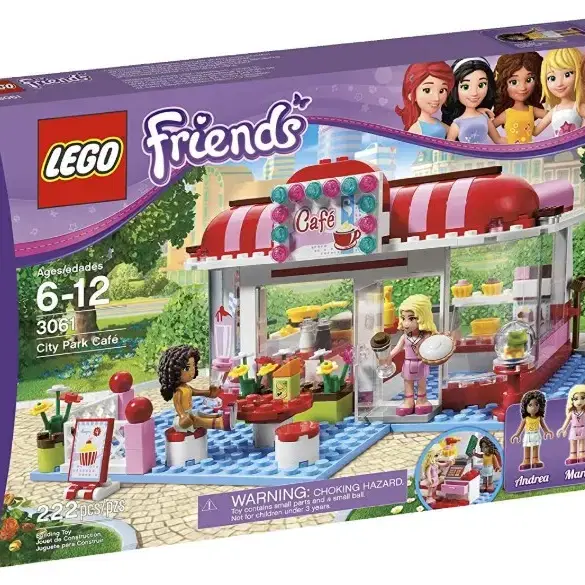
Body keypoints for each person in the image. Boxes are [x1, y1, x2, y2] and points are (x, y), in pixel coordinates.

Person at [158, 344, 233, 433]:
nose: (192, 371)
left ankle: (218, 417)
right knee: (195, 419)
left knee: (199, 414)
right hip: (181, 421)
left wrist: (211, 393)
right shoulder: (178, 391)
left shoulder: (187, 388)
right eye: (187, 368)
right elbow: (178, 406)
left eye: (193, 366)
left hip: (189, 415)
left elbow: (200, 392)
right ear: (175, 371)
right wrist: (182, 416)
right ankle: (219, 423)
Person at [390, 294, 437, 416]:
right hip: (408, 363)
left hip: (421, 362)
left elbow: (435, 346)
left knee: (421, 382)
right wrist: (387, 357)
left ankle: (422, 400)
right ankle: (409, 401)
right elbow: (397, 349)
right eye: (403, 318)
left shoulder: (426, 336)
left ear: (422, 317)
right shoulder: (405, 337)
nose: (406, 323)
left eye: (411, 318)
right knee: (408, 382)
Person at [442, 57, 506, 144]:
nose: (474, 93)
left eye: (481, 85)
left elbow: (498, 139)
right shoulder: (457, 123)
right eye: (465, 87)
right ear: (455, 89)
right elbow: (449, 146)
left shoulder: (484, 118)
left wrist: (518, 143)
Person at [493, 52, 546, 143]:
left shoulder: (532, 110)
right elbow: (488, 128)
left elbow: (553, 115)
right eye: (513, 82)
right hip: (512, 149)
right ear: (503, 85)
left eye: (529, 80)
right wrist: (499, 139)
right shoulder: (506, 114)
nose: (522, 88)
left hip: (530, 148)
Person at [533, 48, 585, 138]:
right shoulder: (554, 111)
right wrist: (526, 114)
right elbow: (535, 131)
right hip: (558, 146)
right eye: (552, 78)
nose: (559, 83)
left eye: (567, 74)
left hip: (576, 145)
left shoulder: (578, 107)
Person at [395, 62, 454, 138]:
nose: (436, 98)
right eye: (427, 90)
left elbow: (454, 132)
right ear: (411, 95)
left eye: (442, 90)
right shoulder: (416, 129)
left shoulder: (437, 122)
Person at [510, 390, 554, 470]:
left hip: (536, 434)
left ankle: (535, 460)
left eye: (536, 405)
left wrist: (547, 431)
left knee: (535, 447)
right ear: (525, 406)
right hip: (528, 435)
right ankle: (526, 461)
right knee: (527, 447)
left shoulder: (539, 417)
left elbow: (543, 426)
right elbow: (521, 427)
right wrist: (517, 434)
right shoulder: (526, 418)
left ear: (540, 406)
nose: (533, 408)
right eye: (530, 405)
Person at [556, 385, 585, 465]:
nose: (579, 401)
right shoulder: (571, 413)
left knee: (582, 442)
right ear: (572, 400)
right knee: (573, 442)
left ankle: (582, 454)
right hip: (574, 429)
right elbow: (567, 421)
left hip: (583, 428)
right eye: (576, 399)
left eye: (582, 398)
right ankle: (573, 455)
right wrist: (563, 428)